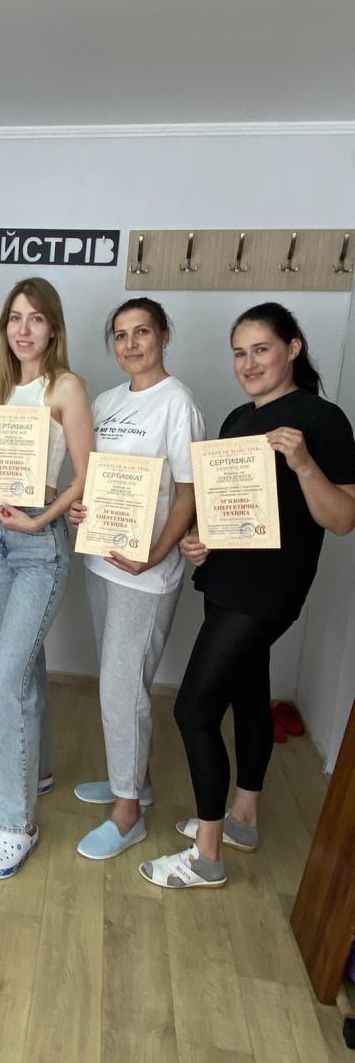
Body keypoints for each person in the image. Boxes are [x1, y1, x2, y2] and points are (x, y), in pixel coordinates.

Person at [141, 302, 355, 889]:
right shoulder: (239, 418)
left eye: (262, 349)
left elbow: (341, 520)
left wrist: (304, 463)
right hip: (227, 579)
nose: (249, 363)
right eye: (240, 352)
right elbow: (225, 508)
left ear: (293, 348)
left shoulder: (323, 419)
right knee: (249, 692)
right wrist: (198, 540)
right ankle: (243, 817)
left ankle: (207, 857)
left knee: (193, 710)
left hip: (267, 590)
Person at [0, 278, 93, 877]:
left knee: (6, 676)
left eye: (35, 318)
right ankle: (34, 769)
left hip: (39, 540)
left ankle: (15, 823)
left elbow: (85, 474)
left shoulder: (66, 387)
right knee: (26, 665)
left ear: (53, 327)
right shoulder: (3, 388)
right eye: (15, 318)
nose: (23, 329)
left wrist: (40, 519)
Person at [70, 298, 205, 860]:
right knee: (118, 680)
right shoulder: (105, 402)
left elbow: (189, 493)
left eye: (142, 332)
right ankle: (137, 781)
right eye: (121, 335)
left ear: (164, 335)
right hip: (101, 562)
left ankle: (128, 815)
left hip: (146, 574)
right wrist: (81, 509)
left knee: (121, 690)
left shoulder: (178, 403)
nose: (131, 344)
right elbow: (92, 478)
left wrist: (155, 554)